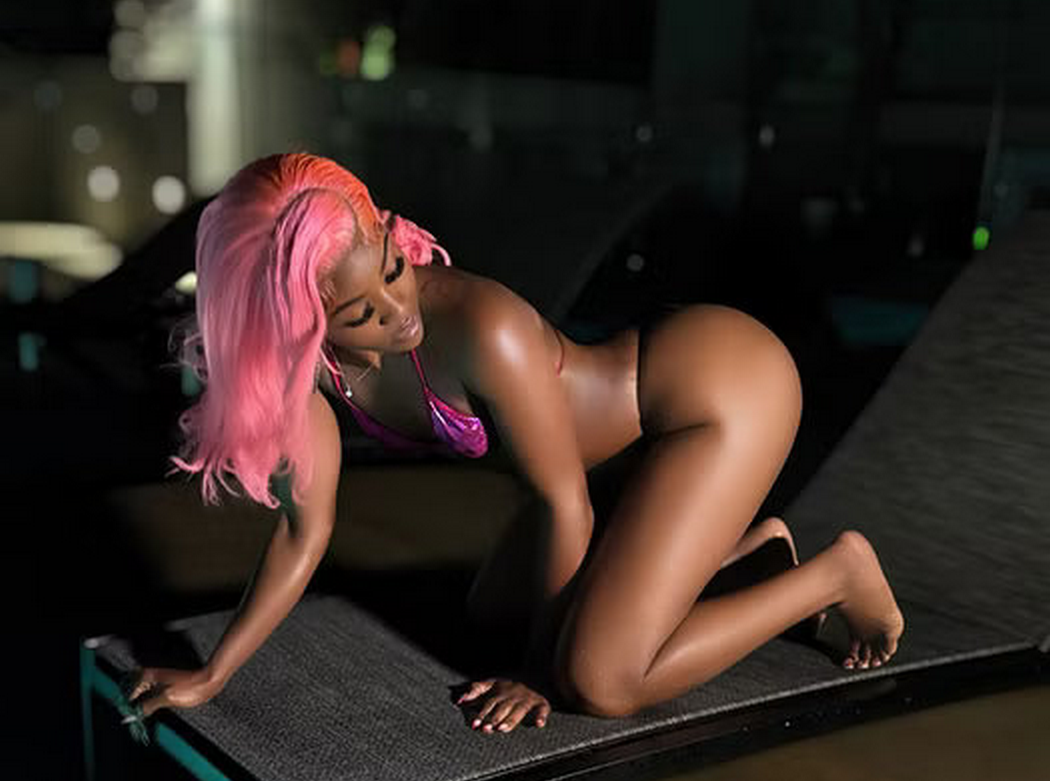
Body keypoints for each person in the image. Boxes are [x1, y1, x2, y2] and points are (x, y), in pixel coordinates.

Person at [125, 152, 903, 735]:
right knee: (490, 618)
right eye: (360, 313)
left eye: (393, 269)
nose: (398, 310)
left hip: (717, 391)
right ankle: (755, 558)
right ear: (297, 324)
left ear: (391, 234)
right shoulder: (313, 379)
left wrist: (540, 678)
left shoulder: (479, 324)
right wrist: (213, 674)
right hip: (612, 454)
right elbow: (305, 531)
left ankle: (834, 573)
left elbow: (563, 502)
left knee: (598, 680)